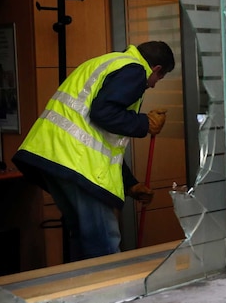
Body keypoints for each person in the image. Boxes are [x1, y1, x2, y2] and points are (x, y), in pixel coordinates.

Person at [13, 41, 174, 261]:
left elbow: (97, 139)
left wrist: (130, 184)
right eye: (159, 79)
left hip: (55, 156)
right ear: (156, 69)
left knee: (83, 238)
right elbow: (103, 112)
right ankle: (112, 293)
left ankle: (82, 291)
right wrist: (144, 123)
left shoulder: (107, 62)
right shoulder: (135, 69)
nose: (153, 85)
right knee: (102, 242)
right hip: (75, 163)